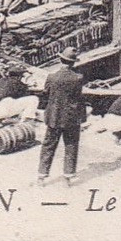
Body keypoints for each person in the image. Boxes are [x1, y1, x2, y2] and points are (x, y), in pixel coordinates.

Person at [37, 47, 87, 185]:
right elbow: (78, 96)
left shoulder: (51, 77)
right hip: (71, 117)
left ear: (60, 60)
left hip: (53, 116)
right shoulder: (78, 78)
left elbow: (45, 94)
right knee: (71, 145)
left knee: (48, 145)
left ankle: (42, 175)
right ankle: (69, 175)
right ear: (73, 63)